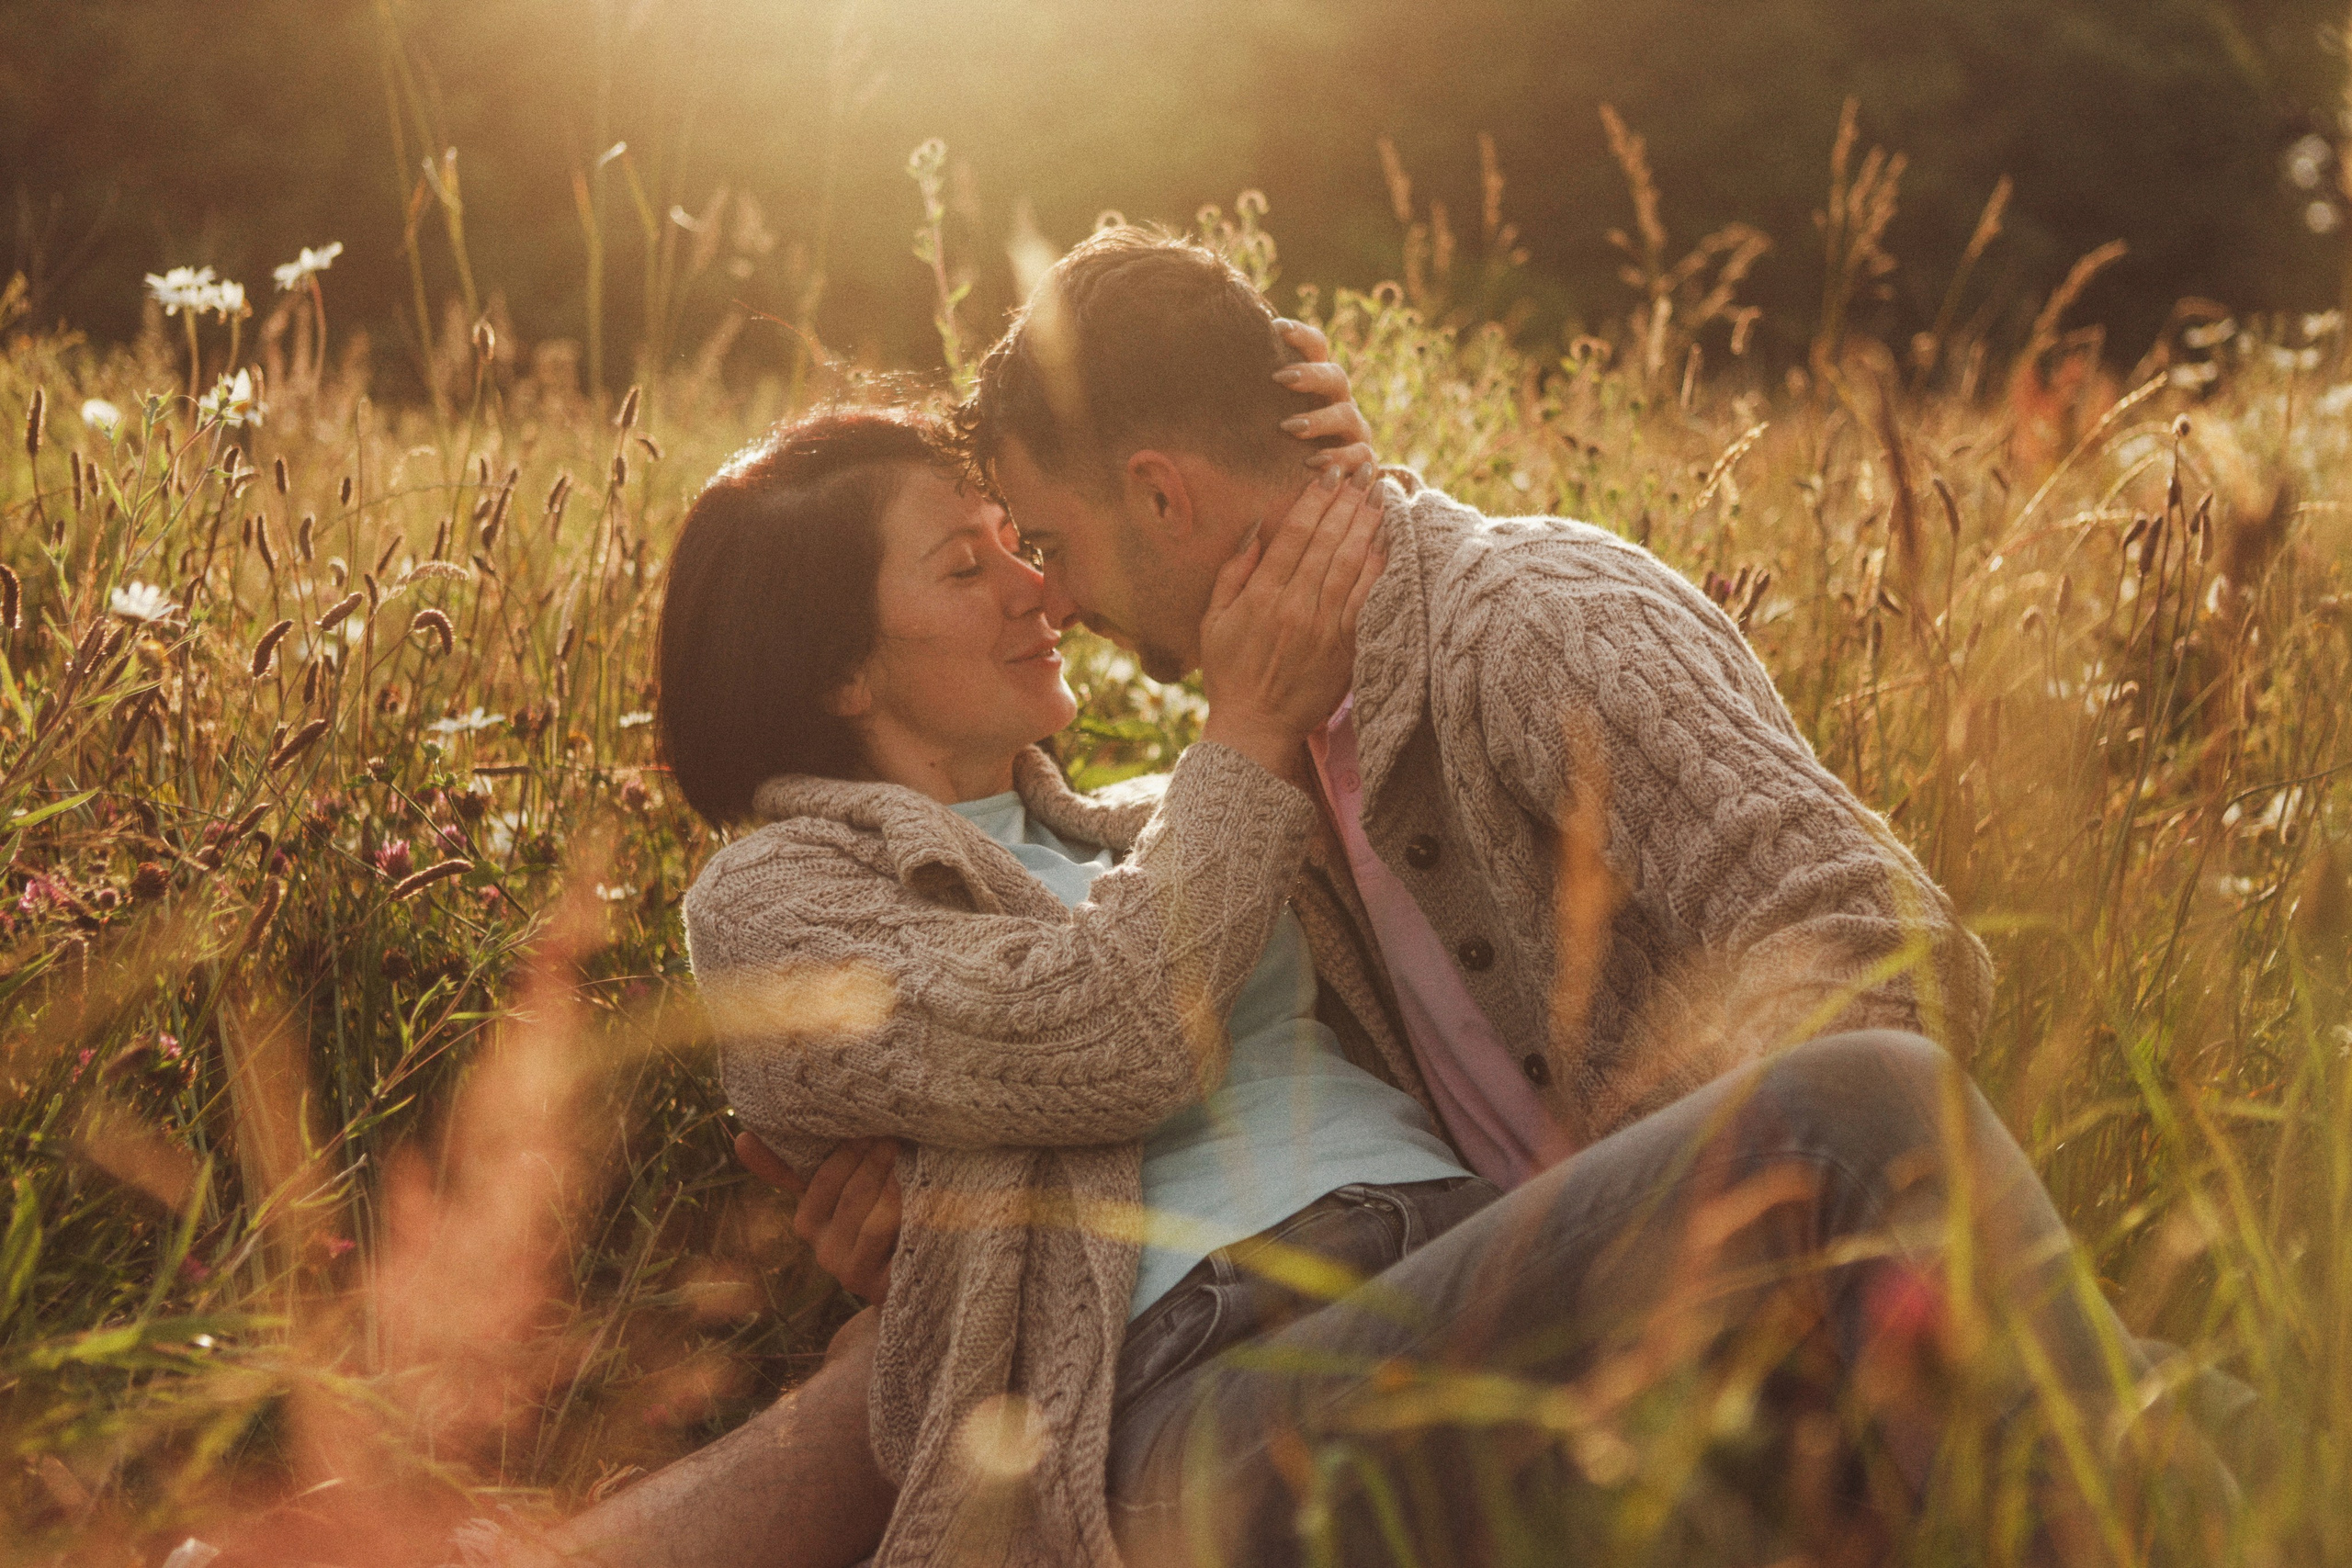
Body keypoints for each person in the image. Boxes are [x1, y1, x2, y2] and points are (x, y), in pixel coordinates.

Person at [471, 251, 2221, 1568]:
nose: (1037, 590)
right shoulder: (782, 900)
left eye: (1032, 539)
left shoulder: (1198, 802)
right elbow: (1104, 1027)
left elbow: (1398, 695)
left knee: (2196, 1403)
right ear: (840, 666)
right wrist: (1245, 721)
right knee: (1874, 1124)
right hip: (1213, 1391)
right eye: (974, 560)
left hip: (1484, 1281)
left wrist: (1338, 510)